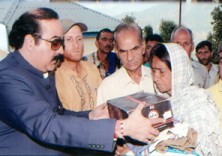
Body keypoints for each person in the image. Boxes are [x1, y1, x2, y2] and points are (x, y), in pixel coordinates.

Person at [0, 7, 162, 155]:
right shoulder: (7, 77)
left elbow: (59, 113)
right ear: (30, 42)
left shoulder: (42, 71)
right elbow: (47, 125)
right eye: (56, 43)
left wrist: (90, 115)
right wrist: (120, 128)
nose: (62, 50)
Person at [150, 43, 222, 156]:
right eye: (153, 71)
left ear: (177, 72)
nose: (155, 78)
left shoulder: (197, 103)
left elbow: (203, 150)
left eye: (161, 71)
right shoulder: (162, 102)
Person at [97, 23, 161, 105]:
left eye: (135, 49)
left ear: (143, 46)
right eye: (123, 51)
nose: (129, 57)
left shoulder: (158, 79)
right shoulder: (107, 87)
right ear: (117, 51)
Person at [55, 19, 101, 112]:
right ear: (59, 44)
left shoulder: (92, 68)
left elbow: (103, 100)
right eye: (69, 39)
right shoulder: (55, 76)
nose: (76, 45)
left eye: (79, 39)